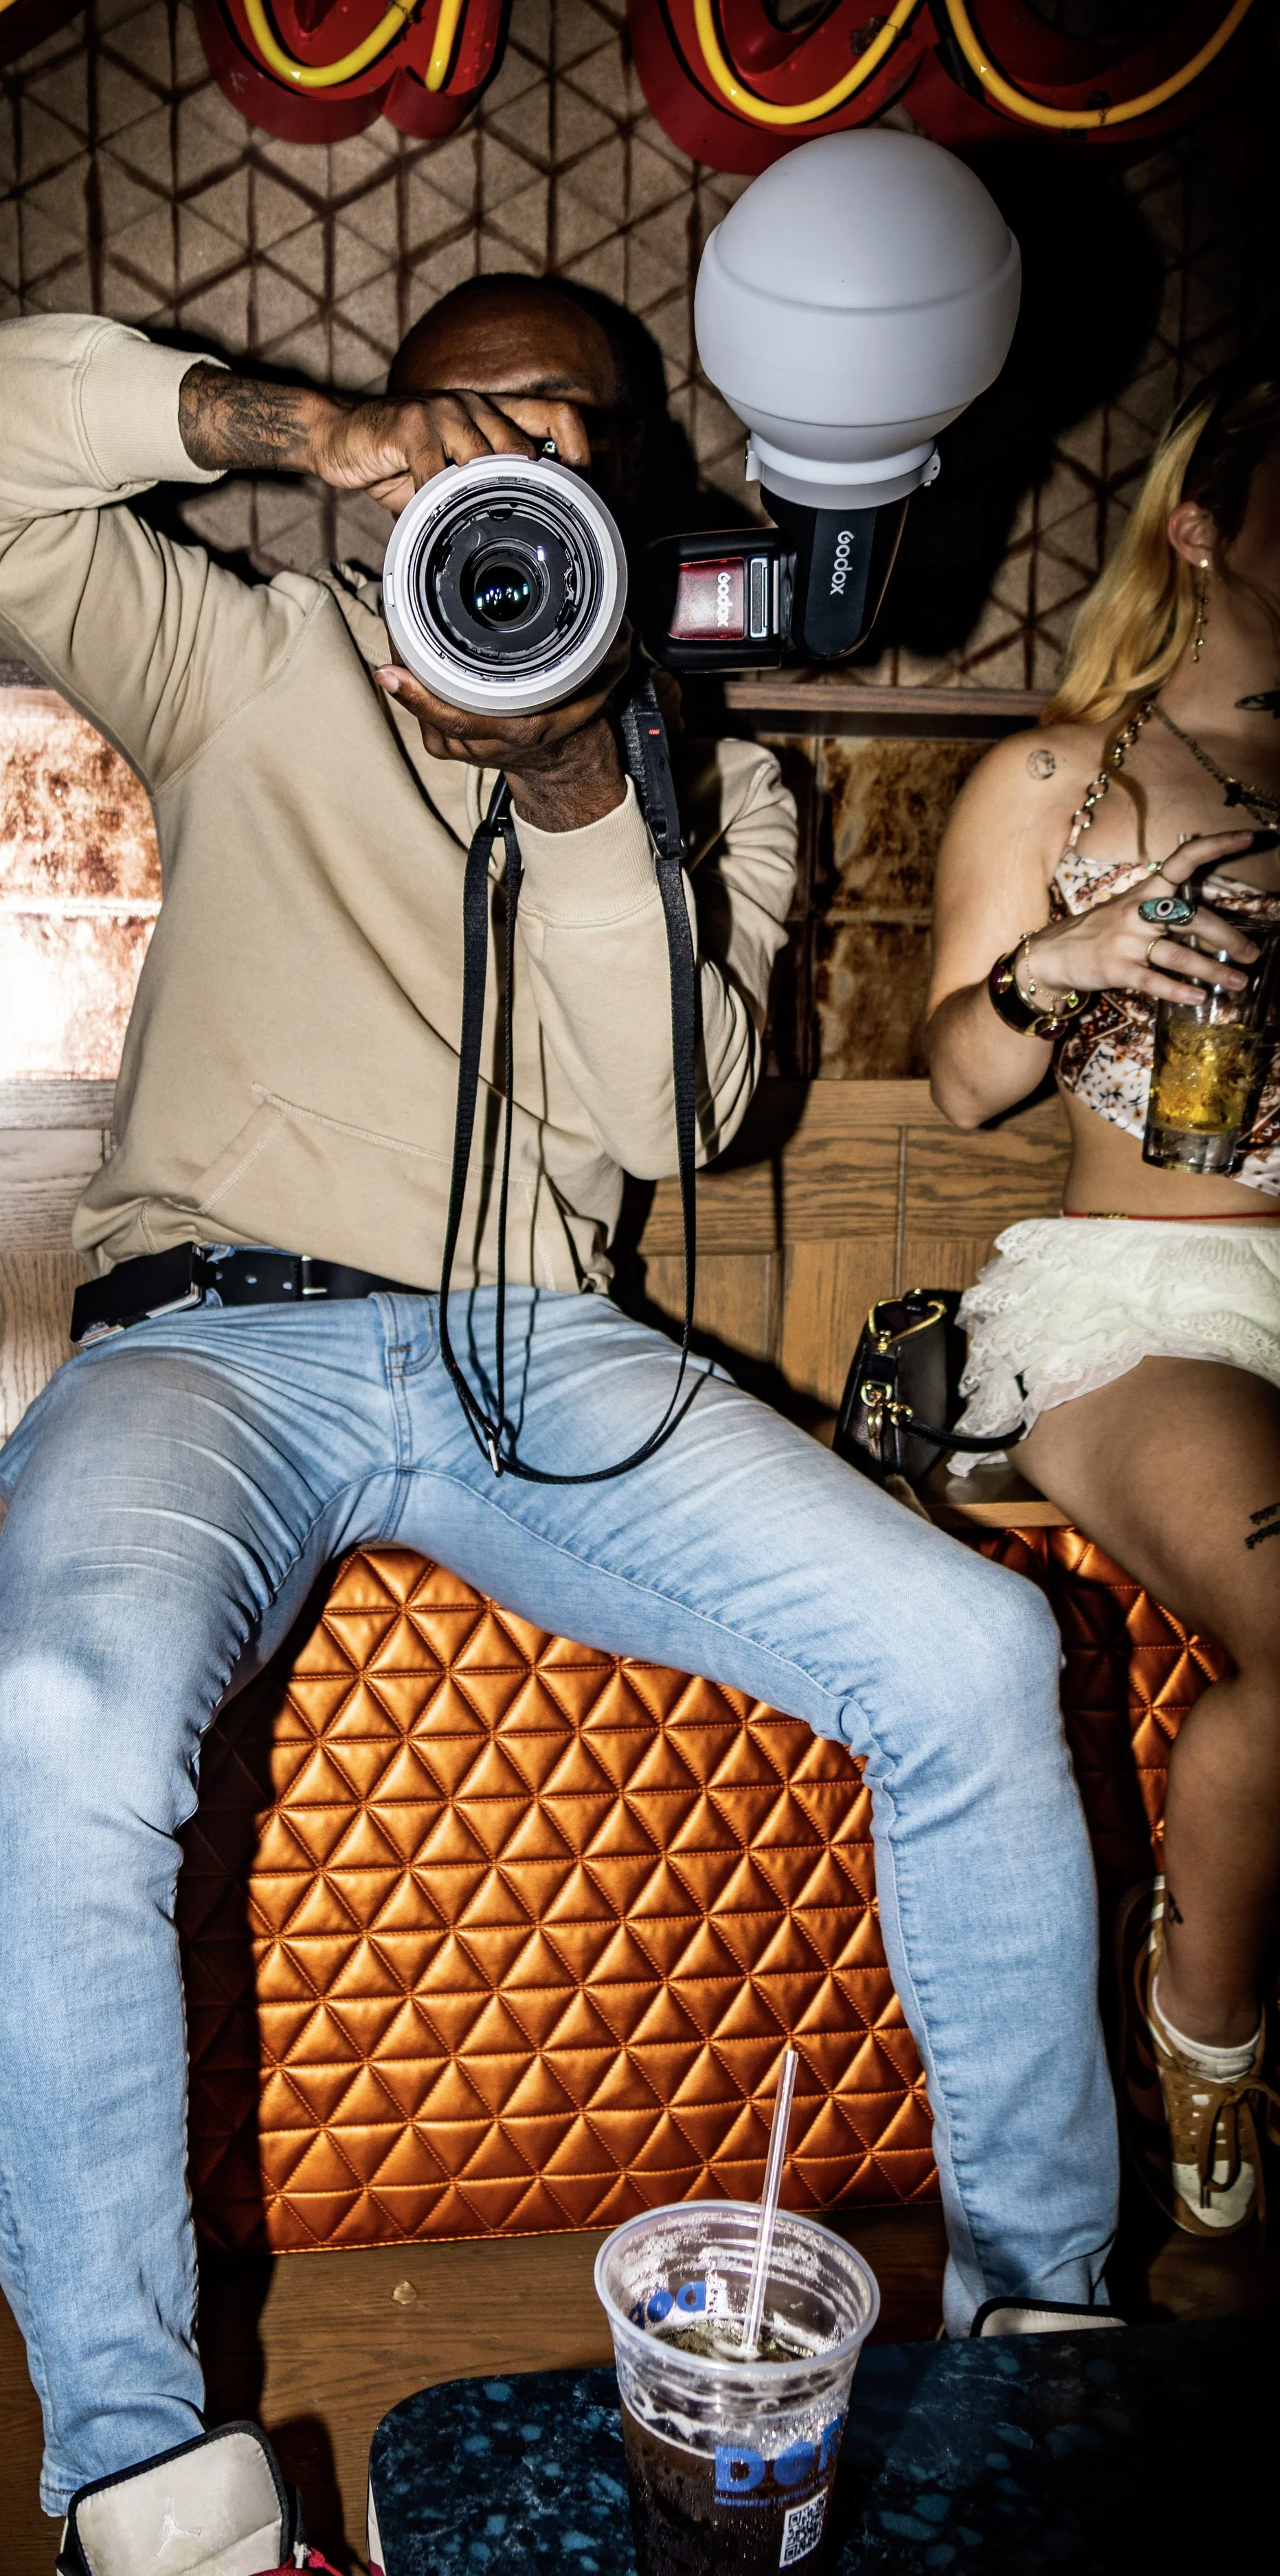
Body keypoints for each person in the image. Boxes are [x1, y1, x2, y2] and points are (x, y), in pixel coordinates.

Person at [0, 276, 1117, 2553]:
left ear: (628, 489)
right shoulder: (249, 650)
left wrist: (578, 770)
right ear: (416, 439)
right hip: (204, 1339)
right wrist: (286, 429)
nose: (534, 463)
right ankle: (144, 2483)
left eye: (583, 435)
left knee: (975, 1649)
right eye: (478, 422)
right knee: (66, 1715)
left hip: (547, 1344)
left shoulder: (713, 768)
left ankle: (1050, 2337)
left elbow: (677, 1110)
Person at [926, 354, 1280, 2243]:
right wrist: (1058, 961)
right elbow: (963, 1083)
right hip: (1143, 1298)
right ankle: (1207, 2036)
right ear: (1202, 523)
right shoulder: (1063, 774)